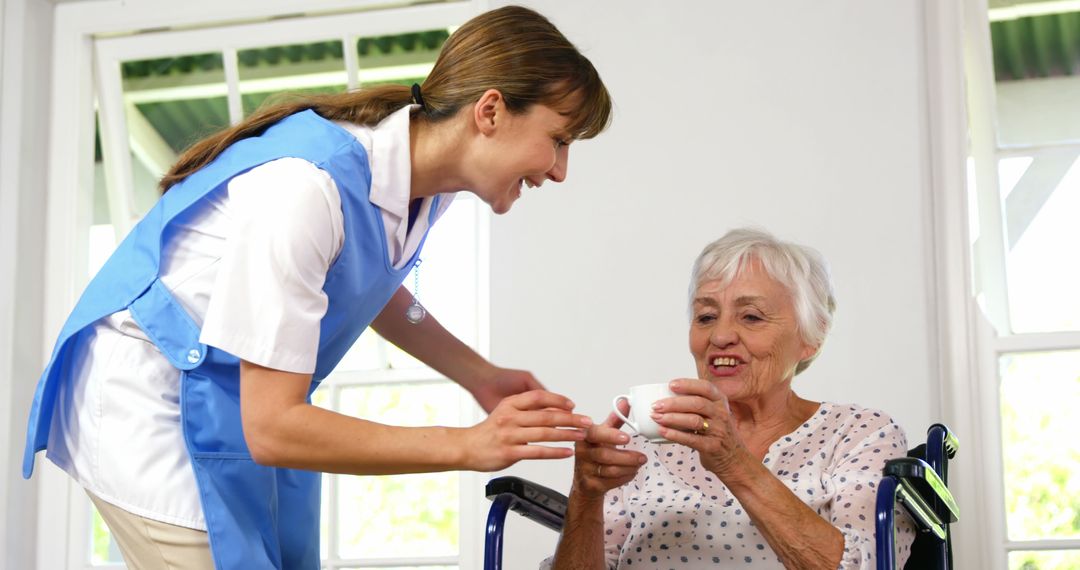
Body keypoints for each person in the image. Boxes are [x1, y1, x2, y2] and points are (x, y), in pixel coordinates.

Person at [22, 6, 611, 570]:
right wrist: (467, 445)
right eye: (559, 140)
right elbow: (273, 427)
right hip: (146, 399)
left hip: (231, 401)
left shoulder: (425, 188)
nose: (559, 170)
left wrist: (479, 375)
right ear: (490, 112)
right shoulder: (306, 190)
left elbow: (367, 281)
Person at [548, 228, 916, 569]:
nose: (720, 335)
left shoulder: (859, 433)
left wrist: (733, 462)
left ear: (812, 337)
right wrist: (585, 496)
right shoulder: (641, 450)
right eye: (706, 316)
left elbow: (862, 564)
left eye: (752, 317)